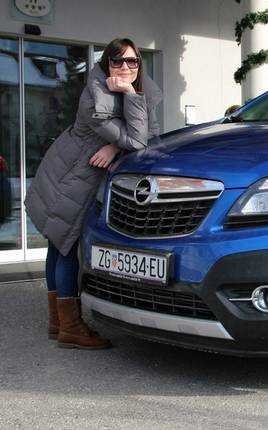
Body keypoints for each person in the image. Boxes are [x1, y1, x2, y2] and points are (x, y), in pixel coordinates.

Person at [25, 38, 162, 350]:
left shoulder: (134, 91)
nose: (125, 67)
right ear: (106, 65)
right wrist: (130, 96)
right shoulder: (96, 98)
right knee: (64, 246)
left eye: (132, 61)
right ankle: (70, 327)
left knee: (58, 245)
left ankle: (58, 322)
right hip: (71, 177)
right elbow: (137, 140)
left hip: (74, 171)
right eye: (117, 61)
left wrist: (114, 145)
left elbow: (149, 135)